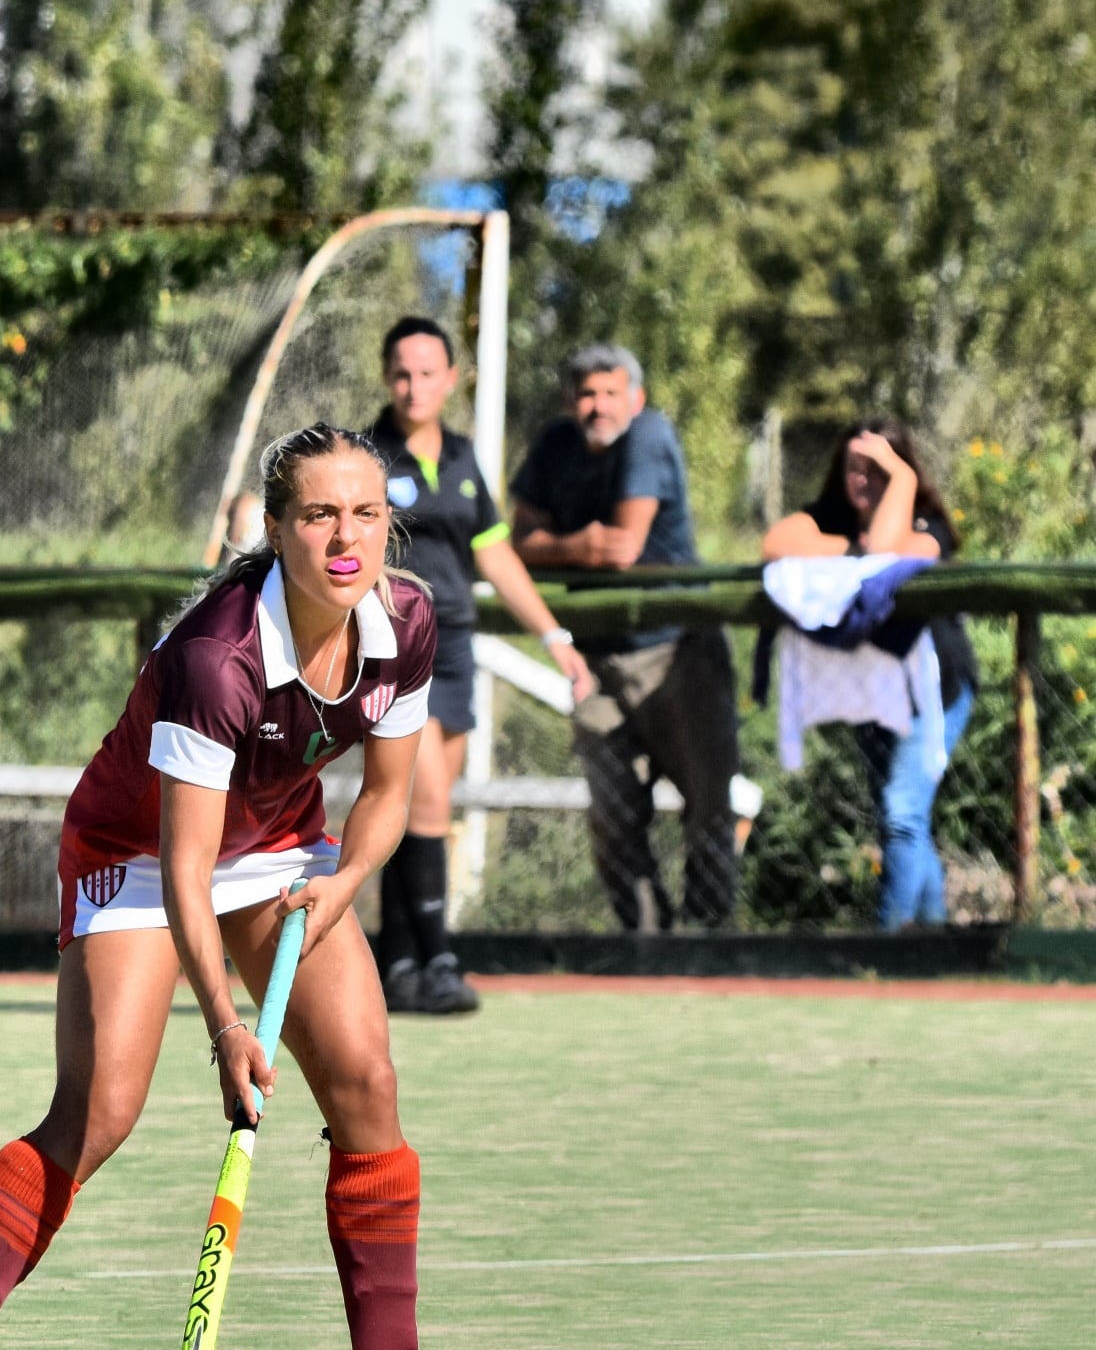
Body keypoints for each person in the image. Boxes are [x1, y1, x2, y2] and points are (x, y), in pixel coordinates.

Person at [0, 422, 490, 1350]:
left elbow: (387, 796)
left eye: (366, 513)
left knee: (367, 1083)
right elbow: (184, 869)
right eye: (320, 514)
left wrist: (337, 890)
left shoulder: (404, 619)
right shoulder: (218, 658)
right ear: (277, 529)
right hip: (139, 854)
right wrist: (228, 1027)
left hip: (280, 847)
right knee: (99, 1109)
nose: (346, 536)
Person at [365, 316, 593, 1013]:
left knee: (417, 808)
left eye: (428, 372)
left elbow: (495, 555)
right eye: (402, 373)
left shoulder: (463, 458)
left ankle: (396, 961)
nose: (414, 386)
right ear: (386, 378)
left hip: (456, 649)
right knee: (426, 796)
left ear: (451, 380)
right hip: (391, 647)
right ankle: (440, 958)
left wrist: (554, 635)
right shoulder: (364, 456)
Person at [509, 344, 740, 932]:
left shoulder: (650, 435)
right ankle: (645, 941)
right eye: (587, 394)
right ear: (569, 400)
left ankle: (707, 940)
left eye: (611, 393)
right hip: (596, 660)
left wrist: (564, 548)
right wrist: (581, 544)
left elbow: (623, 547)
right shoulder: (553, 446)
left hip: (678, 652)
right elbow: (519, 543)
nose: (598, 406)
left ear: (635, 399)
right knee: (611, 815)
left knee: (707, 802)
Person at [762, 420, 978, 927]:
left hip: (935, 690)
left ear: (904, 470)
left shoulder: (929, 528)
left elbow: (887, 552)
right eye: (852, 468)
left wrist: (898, 483)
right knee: (899, 820)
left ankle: (891, 948)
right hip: (872, 690)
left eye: (877, 469)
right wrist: (848, 548)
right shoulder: (831, 522)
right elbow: (777, 544)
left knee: (902, 812)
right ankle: (932, 942)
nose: (863, 480)